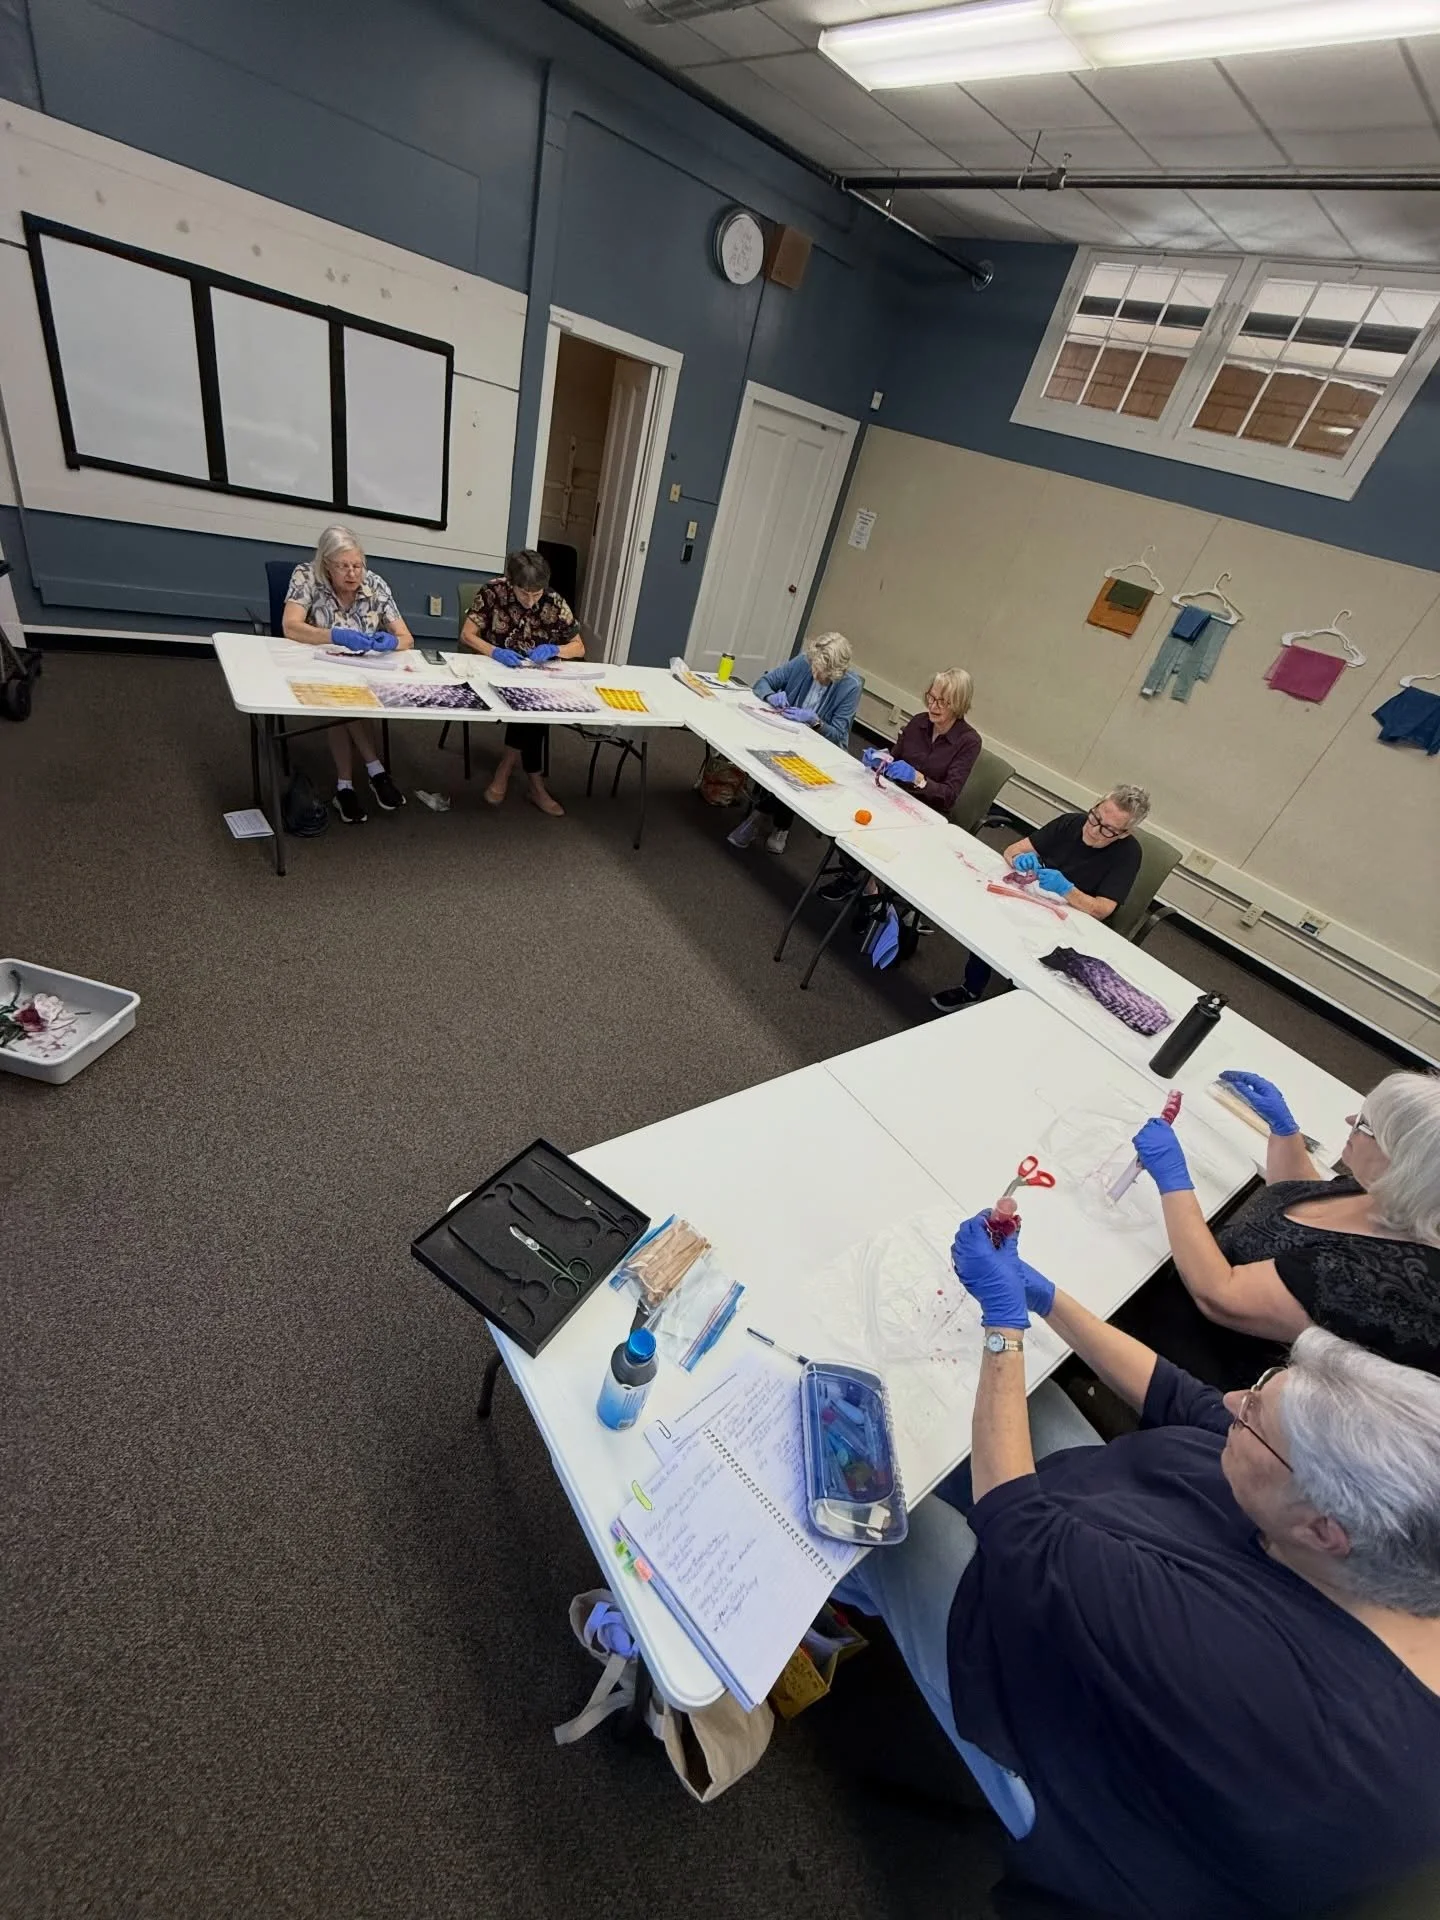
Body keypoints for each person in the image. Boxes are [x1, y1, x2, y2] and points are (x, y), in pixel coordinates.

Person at [832, 1209, 1440, 1920]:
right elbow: (1186, 1400)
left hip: (1078, 1737)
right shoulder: (1377, 1530)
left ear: (1322, 1529)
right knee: (1013, 1401)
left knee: (881, 1507)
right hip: (1113, 1536)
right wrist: (1041, 1297)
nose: (1236, 1403)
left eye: (1255, 1423)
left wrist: (1004, 1329)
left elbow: (1022, 1537)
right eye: (1264, 1385)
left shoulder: (1283, 1696)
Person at [1131, 1069, 1440, 1372]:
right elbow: (1311, 1212)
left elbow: (1220, 1295)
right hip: (1181, 1277)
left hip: (1195, 1355)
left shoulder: (1375, 1278)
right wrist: (1285, 1133)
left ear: (1402, 1163)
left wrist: (1173, 1183)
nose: (1349, 1122)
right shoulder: (1399, 1197)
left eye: (1364, 1125)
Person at [931, 782, 1151, 1012]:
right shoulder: (1071, 823)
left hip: (1073, 917)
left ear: (1124, 832)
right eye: (1095, 817)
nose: (1094, 830)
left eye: (1107, 830)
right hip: (1036, 898)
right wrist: (1018, 860)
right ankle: (971, 989)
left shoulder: (1128, 853)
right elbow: (1013, 849)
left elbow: (1102, 909)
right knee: (992, 920)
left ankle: (1018, 1005)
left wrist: (1067, 889)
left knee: (1039, 961)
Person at [281, 525, 414, 823]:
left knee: (347, 700)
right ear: (326, 564)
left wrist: (391, 641)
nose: (353, 574)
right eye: (343, 567)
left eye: (357, 565)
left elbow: (407, 638)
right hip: (321, 666)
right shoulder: (307, 576)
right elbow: (290, 626)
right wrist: (334, 635)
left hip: (365, 669)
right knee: (341, 699)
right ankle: (375, 769)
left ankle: (345, 787)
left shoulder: (375, 584)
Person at [817, 668, 981, 903]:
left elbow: (949, 796)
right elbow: (894, 758)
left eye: (943, 702)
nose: (933, 706)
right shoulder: (919, 722)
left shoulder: (968, 742)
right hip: (896, 797)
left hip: (927, 814)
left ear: (958, 704)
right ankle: (863, 881)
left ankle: (865, 886)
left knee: (870, 833)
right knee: (841, 814)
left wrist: (918, 778)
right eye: (931, 698)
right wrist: (879, 760)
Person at [459, 549, 583, 817]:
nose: (530, 600)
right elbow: (467, 635)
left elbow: (579, 647)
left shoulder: (553, 600)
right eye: (523, 593)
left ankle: (506, 767)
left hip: (535, 673)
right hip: (496, 669)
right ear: (510, 581)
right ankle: (536, 786)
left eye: (536, 594)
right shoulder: (493, 592)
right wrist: (494, 651)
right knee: (533, 710)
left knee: (532, 706)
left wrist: (555, 650)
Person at [726, 632, 862, 856]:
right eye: (814, 668)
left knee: (790, 769)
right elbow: (764, 682)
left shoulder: (850, 687)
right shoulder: (804, 661)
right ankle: (779, 824)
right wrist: (771, 696)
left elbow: (838, 734)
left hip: (820, 748)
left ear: (836, 673)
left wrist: (815, 722)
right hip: (785, 734)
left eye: (821, 672)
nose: (814, 673)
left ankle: (763, 819)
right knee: (775, 757)